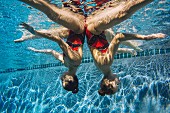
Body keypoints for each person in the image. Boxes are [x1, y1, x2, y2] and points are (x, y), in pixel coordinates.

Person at [17, 0, 166, 96]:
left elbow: (119, 37)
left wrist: (146, 37)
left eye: (115, 86)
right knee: (52, 14)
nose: (119, 83)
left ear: (109, 82)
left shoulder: (103, 64)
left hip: (87, 29)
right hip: (88, 30)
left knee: (124, 12)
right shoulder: (101, 64)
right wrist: (130, 49)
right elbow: (112, 47)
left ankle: (30, 33)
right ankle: (29, 34)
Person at [15, 23, 85, 94]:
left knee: (49, 32)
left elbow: (51, 52)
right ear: (70, 79)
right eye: (63, 81)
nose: (61, 79)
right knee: (49, 32)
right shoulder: (74, 61)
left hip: (71, 33)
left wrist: (37, 50)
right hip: (76, 29)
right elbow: (58, 40)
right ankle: (29, 33)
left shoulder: (67, 64)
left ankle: (25, 37)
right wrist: (34, 32)